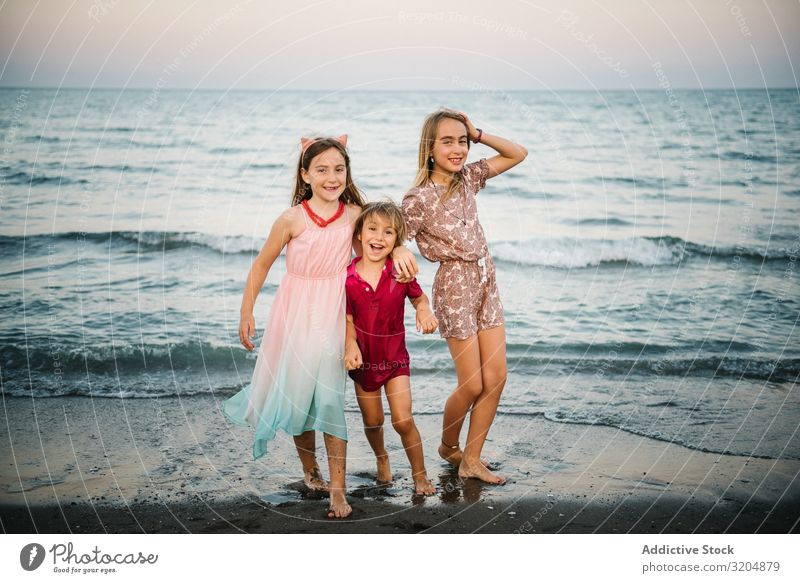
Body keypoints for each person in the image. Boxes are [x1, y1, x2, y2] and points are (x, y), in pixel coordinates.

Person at [222, 135, 367, 518]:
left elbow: (381, 237)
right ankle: (309, 470)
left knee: (331, 397)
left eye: (339, 169)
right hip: (296, 312)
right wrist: (246, 311)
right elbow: (261, 265)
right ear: (305, 175)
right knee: (299, 396)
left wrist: (400, 250)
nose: (332, 177)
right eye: (321, 170)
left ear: (347, 173)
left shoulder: (354, 214)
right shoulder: (291, 218)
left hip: (336, 311)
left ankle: (339, 491)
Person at [396, 109, 528, 484]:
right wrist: (397, 252)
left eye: (462, 141)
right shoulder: (418, 198)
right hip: (454, 286)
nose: (458, 149)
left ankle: (471, 458)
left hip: (487, 280)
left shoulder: (468, 178)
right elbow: (393, 235)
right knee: (472, 384)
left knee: (497, 376)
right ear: (429, 148)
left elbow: (518, 153)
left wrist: (479, 132)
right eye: (448, 141)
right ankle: (447, 444)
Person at [343, 201, 438, 496]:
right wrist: (349, 345)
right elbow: (345, 317)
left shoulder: (399, 271)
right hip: (363, 362)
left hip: (396, 360)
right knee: (373, 421)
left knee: (403, 419)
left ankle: (420, 475)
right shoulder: (346, 277)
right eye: (372, 229)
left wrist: (424, 311)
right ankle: (381, 457)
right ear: (359, 233)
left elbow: (419, 299)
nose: (379, 238)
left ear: (397, 241)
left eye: (388, 233)